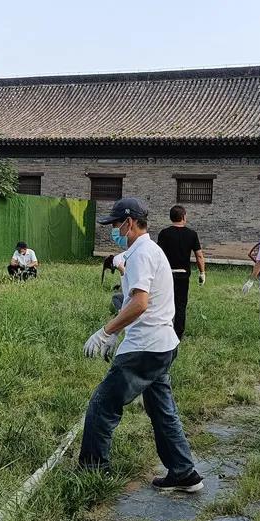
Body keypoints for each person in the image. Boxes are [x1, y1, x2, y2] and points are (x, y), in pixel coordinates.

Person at [79, 197, 204, 493]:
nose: (114, 230)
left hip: (145, 348)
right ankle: (184, 472)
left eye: (116, 225)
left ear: (130, 222)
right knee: (162, 409)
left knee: (102, 404)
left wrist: (106, 332)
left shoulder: (141, 254)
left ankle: (92, 472)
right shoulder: (146, 251)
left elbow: (139, 303)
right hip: (162, 345)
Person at [156, 205, 206, 340]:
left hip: (166, 274)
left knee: (164, 303)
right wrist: (202, 273)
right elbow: (199, 256)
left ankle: (163, 329)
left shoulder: (164, 233)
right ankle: (178, 334)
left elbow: (158, 255)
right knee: (181, 304)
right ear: (183, 217)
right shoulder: (192, 234)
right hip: (183, 275)